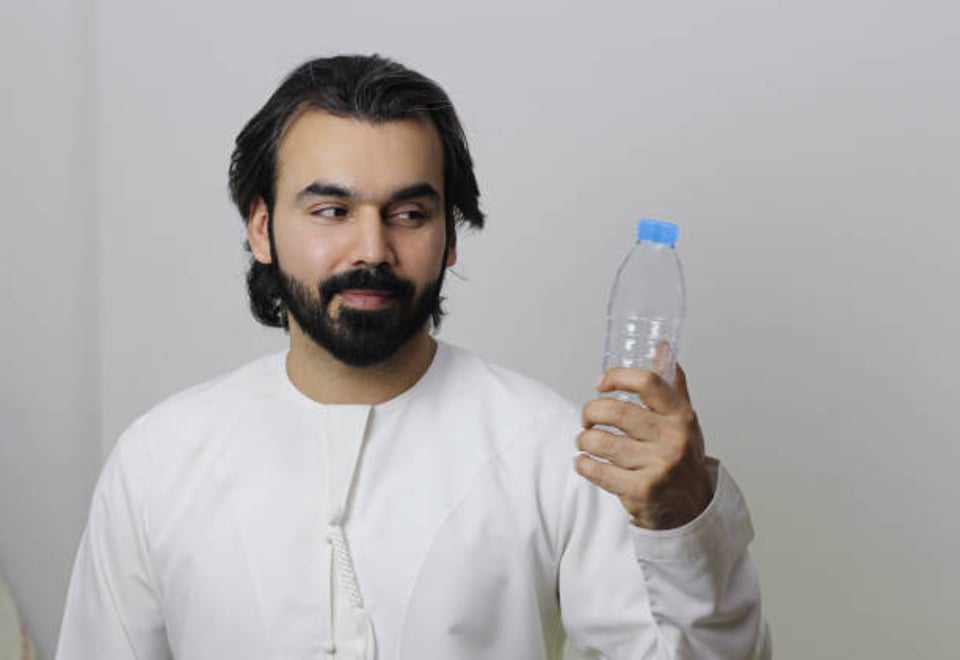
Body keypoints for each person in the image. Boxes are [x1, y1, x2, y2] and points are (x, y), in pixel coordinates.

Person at [56, 54, 770, 659]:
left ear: (450, 238)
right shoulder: (158, 460)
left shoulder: (557, 452)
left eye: (408, 214)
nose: (372, 250)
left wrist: (683, 521)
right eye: (331, 211)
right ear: (262, 228)